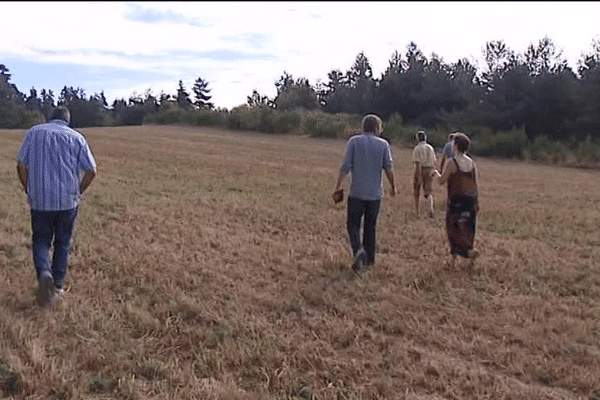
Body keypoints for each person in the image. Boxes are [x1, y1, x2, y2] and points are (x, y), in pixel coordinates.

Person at [16, 106, 97, 307]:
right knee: (62, 243)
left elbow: (20, 164)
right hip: (68, 202)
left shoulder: (34, 132)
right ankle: (57, 287)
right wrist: (79, 190)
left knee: (41, 241)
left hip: (40, 200)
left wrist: (28, 188)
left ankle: (44, 273)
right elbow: (92, 170)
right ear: (67, 120)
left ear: (50, 118)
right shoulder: (77, 138)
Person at [333, 114, 396, 272]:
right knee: (371, 226)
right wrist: (393, 187)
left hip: (356, 192)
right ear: (377, 127)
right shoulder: (383, 145)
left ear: (363, 126)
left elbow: (345, 166)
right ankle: (370, 259)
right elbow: (388, 168)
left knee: (353, 225)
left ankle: (359, 251)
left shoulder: (354, 141)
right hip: (375, 194)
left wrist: (337, 186)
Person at [431, 132, 479, 269]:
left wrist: (435, 173)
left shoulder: (452, 162)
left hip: (457, 200)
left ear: (456, 146)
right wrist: (477, 202)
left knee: (453, 228)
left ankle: (453, 260)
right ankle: (469, 252)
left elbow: (441, 181)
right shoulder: (471, 162)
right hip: (470, 200)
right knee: (468, 228)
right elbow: (474, 183)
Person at [412, 130, 436, 218]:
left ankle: (417, 210)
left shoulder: (417, 148)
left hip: (421, 169)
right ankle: (430, 209)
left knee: (416, 190)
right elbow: (434, 160)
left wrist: (418, 176)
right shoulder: (430, 147)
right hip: (430, 169)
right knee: (428, 191)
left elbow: (418, 163)